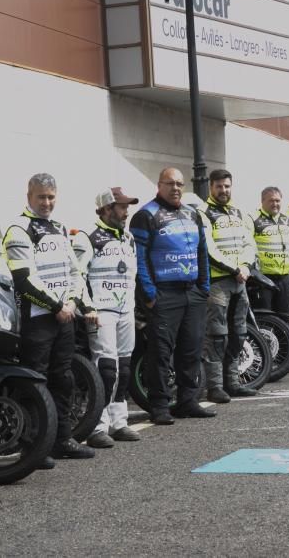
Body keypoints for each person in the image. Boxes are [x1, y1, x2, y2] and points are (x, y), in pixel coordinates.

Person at [3, 173, 98, 459]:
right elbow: (23, 279)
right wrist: (57, 306)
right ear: (29, 196)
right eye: (41, 197)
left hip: (64, 316)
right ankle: (34, 447)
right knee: (35, 382)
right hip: (37, 318)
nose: (46, 202)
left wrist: (70, 302)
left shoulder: (58, 228)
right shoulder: (18, 229)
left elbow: (74, 272)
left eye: (51, 197)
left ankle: (62, 440)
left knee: (64, 378)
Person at [130, 168, 214, 424]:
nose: (175, 188)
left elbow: (202, 251)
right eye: (170, 183)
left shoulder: (192, 213)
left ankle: (188, 400)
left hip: (193, 293)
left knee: (191, 349)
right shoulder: (145, 215)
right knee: (161, 353)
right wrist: (150, 293)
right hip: (164, 294)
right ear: (159, 185)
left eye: (179, 183)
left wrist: (205, 286)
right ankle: (159, 406)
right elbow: (139, 259)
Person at [78, 188, 142, 448]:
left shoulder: (128, 238)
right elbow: (78, 275)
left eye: (127, 206)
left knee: (124, 367)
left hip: (126, 308)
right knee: (106, 368)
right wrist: (87, 307)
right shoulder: (88, 238)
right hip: (101, 311)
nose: (126, 211)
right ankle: (96, 425)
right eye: (121, 206)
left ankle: (119, 422)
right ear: (105, 209)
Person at [200, 169, 257, 402]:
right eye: (219, 187)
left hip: (239, 280)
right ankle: (215, 387)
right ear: (211, 187)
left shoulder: (239, 211)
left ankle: (233, 383)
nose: (223, 191)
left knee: (239, 332)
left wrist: (244, 265)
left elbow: (249, 243)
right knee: (216, 335)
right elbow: (208, 249)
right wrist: (234, 269)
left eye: (227, 186)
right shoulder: (202, 213)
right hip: (218, 282)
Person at [251, 186, 289, 337]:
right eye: (271, 201)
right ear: (262, 201)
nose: (275, 204)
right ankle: (268, 356)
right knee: (266, 319)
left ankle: (286, 355)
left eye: (278, 200)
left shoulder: (287, 220)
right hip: (263, 279)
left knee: (284, 317)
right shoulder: (254, 219)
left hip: (284, 277)